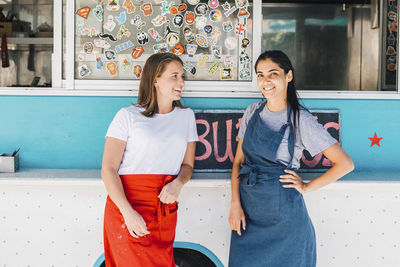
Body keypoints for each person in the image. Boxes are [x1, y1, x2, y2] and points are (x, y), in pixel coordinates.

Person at [228, 50, 354, 267]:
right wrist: (235, 204)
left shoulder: (301, 119)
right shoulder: (252, 112)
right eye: (260, 75)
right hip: (248, 213)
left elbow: (346, 164)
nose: (265, 81)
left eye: (272, 73)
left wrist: (306, 187)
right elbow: (239, 163)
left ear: (289, 76)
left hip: (286, 221)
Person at [101, 53, 198, 267]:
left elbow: (188, 165)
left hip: (164, 207)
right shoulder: (127, 116)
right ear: (155, 80)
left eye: (182, 76)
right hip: (127, 207)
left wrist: (178, 184)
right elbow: (108, 169)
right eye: (174, 76)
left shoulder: (186, 117)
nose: (181, 82)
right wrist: (128, 213)